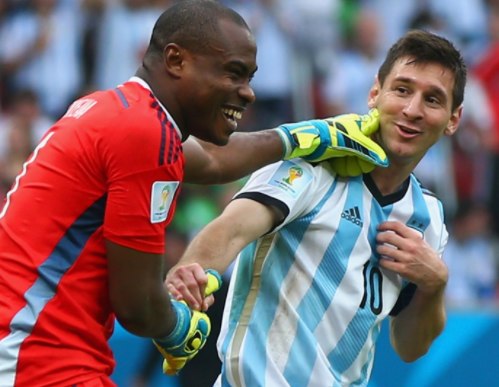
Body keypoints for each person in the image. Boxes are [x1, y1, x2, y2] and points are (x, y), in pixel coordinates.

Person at [0, 1, 387, 386]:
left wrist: (307, 136)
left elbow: (216, 163)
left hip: (33, 349)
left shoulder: (118, 110)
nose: (248, 93)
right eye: (234, 73)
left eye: (250, 77)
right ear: (176, 60)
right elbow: (137, 306)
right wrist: (178, 327)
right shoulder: (144, 133)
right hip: (34, 357)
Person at [166, 29, 467, 386]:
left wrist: (435, 286)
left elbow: (409, 347)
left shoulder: (428, 217)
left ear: (453, 119)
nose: (412, 110)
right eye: (402, 90)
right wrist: (191, 277)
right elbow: (229, 230)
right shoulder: (312, 165)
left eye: (432, 99)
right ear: (375, 93)